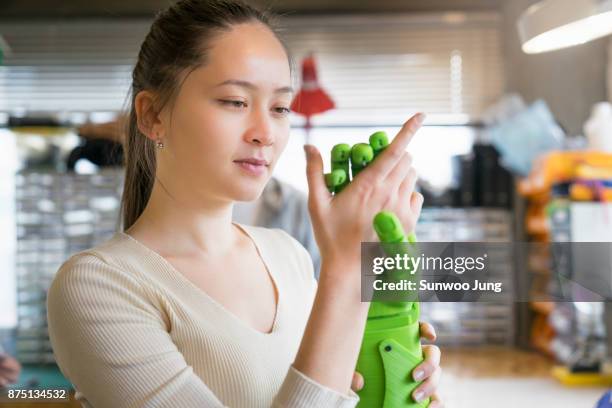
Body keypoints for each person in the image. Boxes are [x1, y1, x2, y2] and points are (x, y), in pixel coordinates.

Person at [46, 1, 442, 407]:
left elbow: (333, 387)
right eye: (235, 101)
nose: (265, 133)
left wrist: (394, 358)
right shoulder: (98, 287)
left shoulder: (289, 255)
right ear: (152, 116)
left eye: (280, 108)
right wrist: (345, 272)